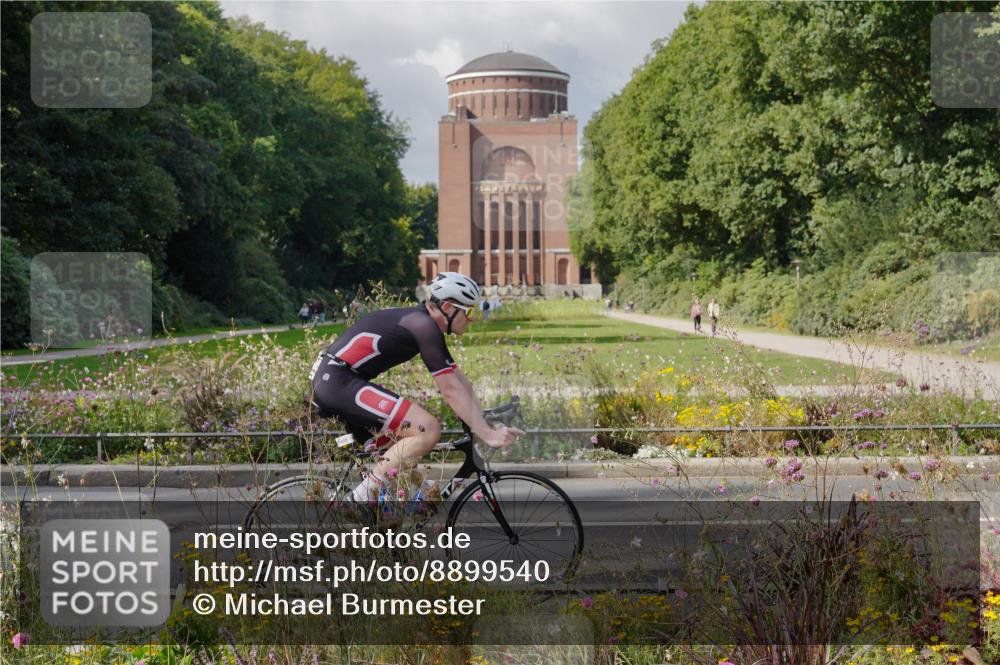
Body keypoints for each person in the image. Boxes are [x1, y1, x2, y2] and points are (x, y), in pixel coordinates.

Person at [309, 272, 525, 503]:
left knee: (406, 461)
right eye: (468, 311)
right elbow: (450, 390)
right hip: (337, 381)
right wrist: (489, 435)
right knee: (427, 429)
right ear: (447, 307)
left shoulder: (422, 322)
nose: (471, 318)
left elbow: (462, 383)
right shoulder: (422, 325)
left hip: (337, 380)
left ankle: (380, 523)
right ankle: (359, 500)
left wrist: (481, 419)